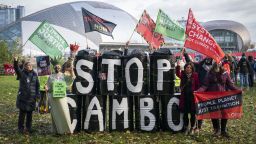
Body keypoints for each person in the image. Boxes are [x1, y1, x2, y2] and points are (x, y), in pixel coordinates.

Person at [197, 62, 240, 138]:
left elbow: (230, 84)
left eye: (219, 62)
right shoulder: (209, 73)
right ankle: (216, 130)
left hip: (223, 97)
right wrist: (198, 91)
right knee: (214, 114)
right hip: (212, 97)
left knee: (225, 113)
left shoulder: (225, 73)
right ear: (214, 63)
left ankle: (223, 131)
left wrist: (238, 90)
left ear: (221, 63)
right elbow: (205, 85)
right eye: (216, 62)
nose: (217, 63)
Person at [13, 56, 40, 134]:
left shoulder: (35, 75)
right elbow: (16, 69)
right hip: (23, 97)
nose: (29, 66)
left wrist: (38, 95)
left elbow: (37, 86)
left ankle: (29, 128)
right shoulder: (21, 73)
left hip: (32, 97)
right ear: (25, 66)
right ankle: (20, 128)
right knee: (22, 114)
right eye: (28, 65)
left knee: (30, 114)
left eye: (30, 65)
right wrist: (15, 61)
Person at [45, 64, 73, 134]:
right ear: (54, 68)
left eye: (58, 67)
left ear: (60, 68)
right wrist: (46, 87)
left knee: (65, 113)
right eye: (56, 67)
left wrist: (72, 70)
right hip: (53, 98)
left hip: (62, 98)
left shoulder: (63, 75)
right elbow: (47, 85)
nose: (57, 68)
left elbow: (71, 79)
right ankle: (57, 130)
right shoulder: (51, 76)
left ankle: (67, 130)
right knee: (55, 114)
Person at [176, 62, 200, 135]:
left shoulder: (195, 75)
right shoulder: (183, 75)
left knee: (193, 114)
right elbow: (178, 74)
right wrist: (178, 66)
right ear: (185, 68)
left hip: (192, 98)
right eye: (187, 67)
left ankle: (192, 128)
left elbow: (197, 85)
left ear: (192, 69)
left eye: (190, 67)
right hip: (185, 97)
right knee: (185, 114)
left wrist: (197, 93)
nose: (188, 68)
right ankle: (186, 128)